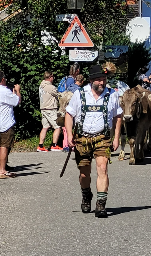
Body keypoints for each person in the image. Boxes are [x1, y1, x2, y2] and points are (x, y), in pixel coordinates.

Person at [65, 64, 122, 218]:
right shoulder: (80, 94)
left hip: (102, 138)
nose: (101, 83)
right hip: (82, 138)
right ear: (91, 81)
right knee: (84, 174)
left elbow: (118, 117)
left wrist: (116, 137)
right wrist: (69, 135)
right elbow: (69, 115)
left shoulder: (112, 95)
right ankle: (86, 195)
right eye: (98, 80)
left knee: (102, 168)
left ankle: (101, 204)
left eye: (103, 79)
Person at [38, 71, 62, 152]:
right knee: (57, 127)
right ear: (50, 77)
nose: (53, 78)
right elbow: (59, 95)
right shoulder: (50, 87)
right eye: (53, 76)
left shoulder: (41, 86)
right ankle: (54, 145)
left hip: (43, 108)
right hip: (50, 109)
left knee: (45, 127)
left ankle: (40, 146)